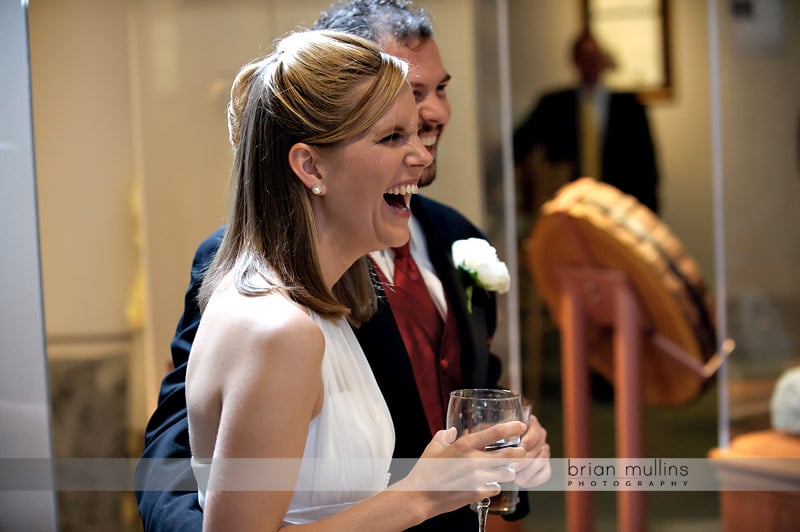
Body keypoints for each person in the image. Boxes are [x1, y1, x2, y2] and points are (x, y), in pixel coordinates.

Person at [136, 2, 551, 531]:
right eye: (392, 133)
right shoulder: (276, 323)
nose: (424, 147)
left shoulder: (338, 290)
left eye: (437, 91)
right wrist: (420, 497)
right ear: (310, 165)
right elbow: (186, 463)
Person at [513, 30, 660, 214]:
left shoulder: (628, 107)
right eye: (584, 57)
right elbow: (519, 144)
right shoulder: (554, 105)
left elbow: (647, 164)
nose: (590, 64)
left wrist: (649, 211)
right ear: (575, 62)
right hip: (568, 207)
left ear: (604, 60)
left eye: (594, 57)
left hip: (618, 207)